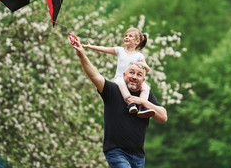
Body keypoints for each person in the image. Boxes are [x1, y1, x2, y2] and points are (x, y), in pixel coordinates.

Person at [72, 35, 168, 168]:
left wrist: (143, 102)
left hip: (139, 155)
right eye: (131, 73)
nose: (134, 77)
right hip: (116, 151)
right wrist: (82, 55)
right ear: (124, 75)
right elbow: (95, 75)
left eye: (139, 74)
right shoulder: (112, 90)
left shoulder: (145, 95)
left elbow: (163, 116)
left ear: (143, 80)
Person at [82, 27, 155, 118]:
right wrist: (90, 46)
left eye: (130, 36)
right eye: (125, 36)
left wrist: (141, 64)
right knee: (121, 83)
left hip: (132, 79)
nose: (126, 37)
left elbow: (147, 69)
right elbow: (104, 49)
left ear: (137, 42)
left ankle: (142, 107)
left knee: (146, 87)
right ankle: (131, 103)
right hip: (120, 77)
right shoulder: (120, 50)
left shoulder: (139, 55)